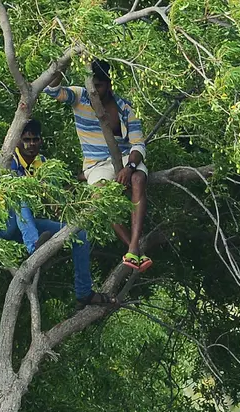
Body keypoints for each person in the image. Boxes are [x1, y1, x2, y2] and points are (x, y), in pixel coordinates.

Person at [0, 119, 110, 308]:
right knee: (21, 194)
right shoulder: (10, 161)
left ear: (41, 141)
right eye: (26, 139)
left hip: (24, 226)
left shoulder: (42, 163)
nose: (31, 144)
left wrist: (67, 199)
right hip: (1, 224)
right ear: (19, 140)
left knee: (79, 234)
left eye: (35, 139)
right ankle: (34, 249)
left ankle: (84, 293)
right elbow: (14, 192)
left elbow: (55, 193)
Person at [46, 59, 151, 271]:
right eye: (91, 85)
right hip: (95, 164)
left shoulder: (125, 107)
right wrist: (63, 63)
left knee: (139, 178)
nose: (94, 90)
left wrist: (129, 168)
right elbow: (52, 91)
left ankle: (133, 245)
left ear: (109, 84)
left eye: (99, 86)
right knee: (101, 198)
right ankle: (134, 249)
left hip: (123, 158)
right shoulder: (79, 96)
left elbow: (138, 144)